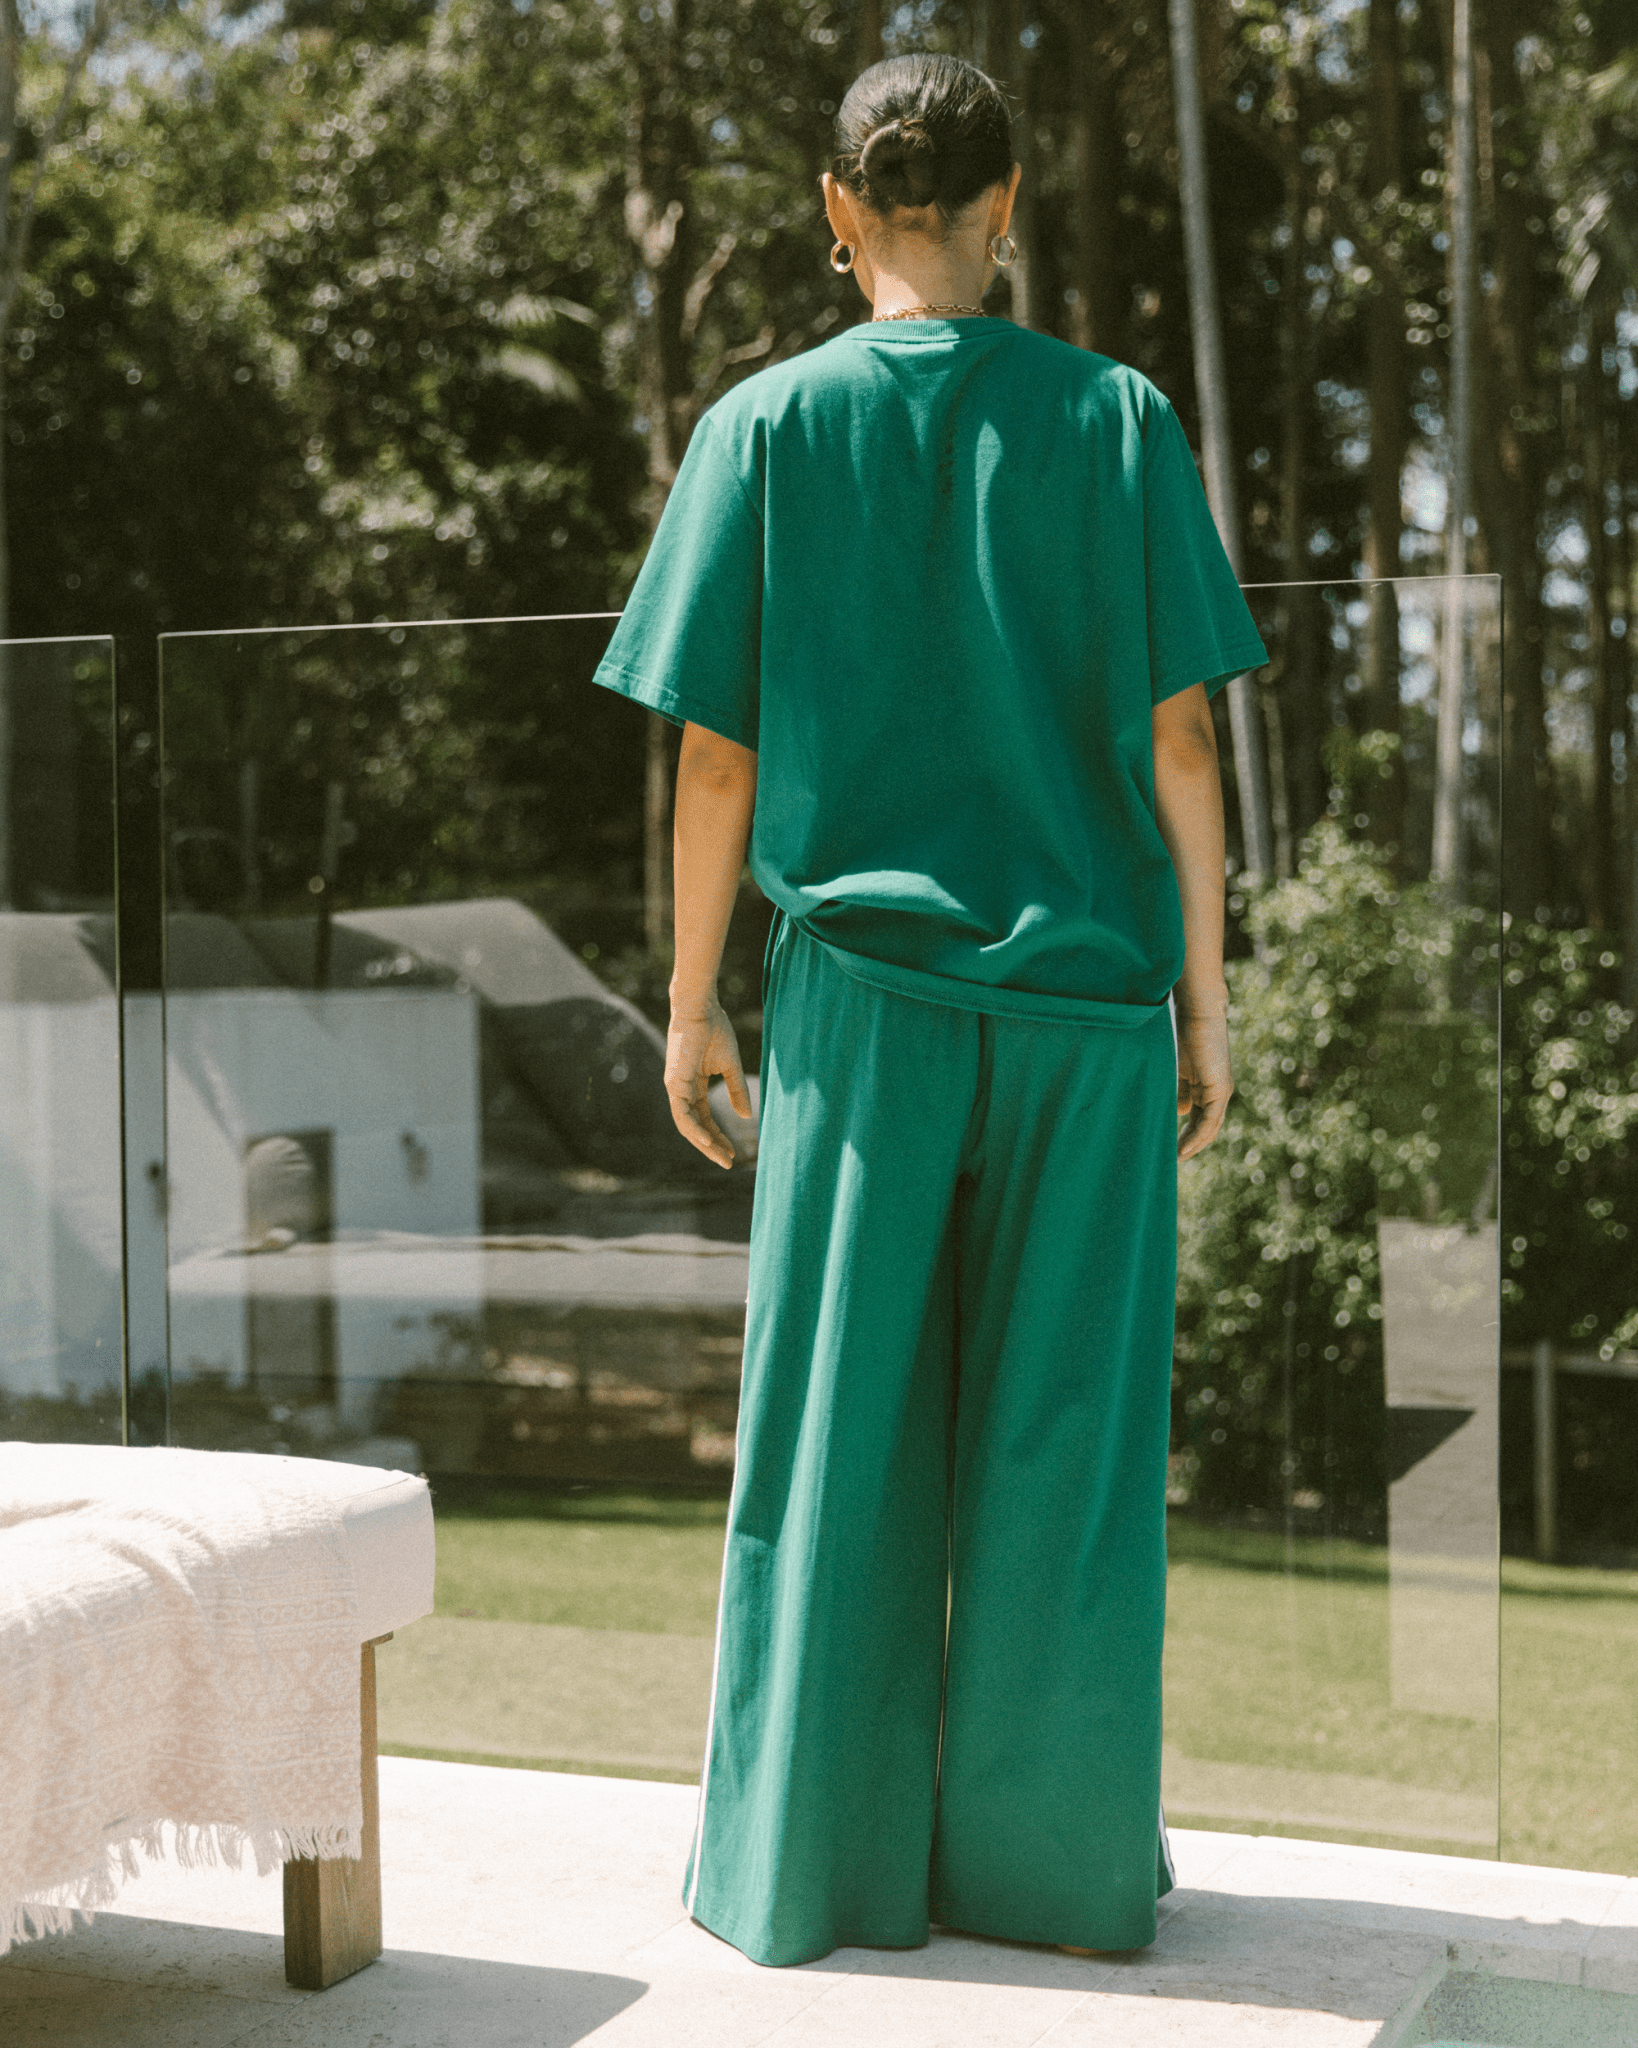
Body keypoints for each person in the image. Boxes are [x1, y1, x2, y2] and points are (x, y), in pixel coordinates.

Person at [592, 51, 1267, 1970]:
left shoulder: (762, 428)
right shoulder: (1113, 417)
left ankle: (809, 1871)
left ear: (836, 211)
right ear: (1005, 205)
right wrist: (1204, 1004)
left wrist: (691, 1002)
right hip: (1085, 1018)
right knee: (1065, 1460)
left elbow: (715, 760)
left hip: (865, 1019)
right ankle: (1057, 1882)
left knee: (835, 1446)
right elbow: (1181, 740)